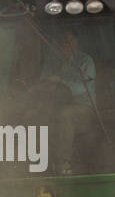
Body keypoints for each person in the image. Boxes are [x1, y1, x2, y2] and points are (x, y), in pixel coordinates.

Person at [40, 29, 97, 175]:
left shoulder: (85, 61)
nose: (66, 44)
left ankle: (63, 162)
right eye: (62, 41)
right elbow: (43, 82)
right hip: (55, 105)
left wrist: (60, 82)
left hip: (84, 107)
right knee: (35, 115)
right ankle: (41, 161)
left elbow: (84, 89)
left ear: (76, 42)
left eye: (69, 41)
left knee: (65, 114)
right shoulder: (52, 61)